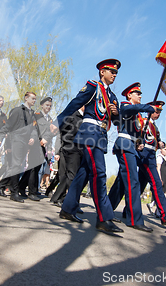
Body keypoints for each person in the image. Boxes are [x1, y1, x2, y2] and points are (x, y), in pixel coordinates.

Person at [53, 59, 123, 234]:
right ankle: (104, 218)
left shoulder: (113, 97)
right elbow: (75, 103)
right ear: (102, 72)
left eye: (116, 73)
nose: (114, 75)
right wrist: (58, 122)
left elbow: (115, 122)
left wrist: (116, 114)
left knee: (83, 173)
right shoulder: (93, 87)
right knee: (99, 173)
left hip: (100, 136)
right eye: (111, 71)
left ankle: (67, 209)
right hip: (89, 133)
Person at [108, 82, 161, 232]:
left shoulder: (137, 115)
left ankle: (107, 210)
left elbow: (135, 132)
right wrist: (149, 107)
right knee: (133, 181)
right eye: (137, 94)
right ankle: (135, 219)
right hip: (124, 146)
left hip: (130, 146)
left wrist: (139, 142)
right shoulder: (125, 106)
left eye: (140, 94)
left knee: (121, 183)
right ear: (129, 95)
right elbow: (131, 109)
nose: (140, 96)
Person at [0, 92, 39, 203]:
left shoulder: (32, 114)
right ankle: (14, 193)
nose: (34, 101)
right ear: (26, 98)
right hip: (16, 140)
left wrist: (33, 137)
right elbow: (8, 126)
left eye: (35, 99)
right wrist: (0, 138)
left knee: (16, 166)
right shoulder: (17, 111)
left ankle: (1, 185)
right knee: (15, 166)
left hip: (25, 143)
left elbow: (34, 129)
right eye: (32, 98)